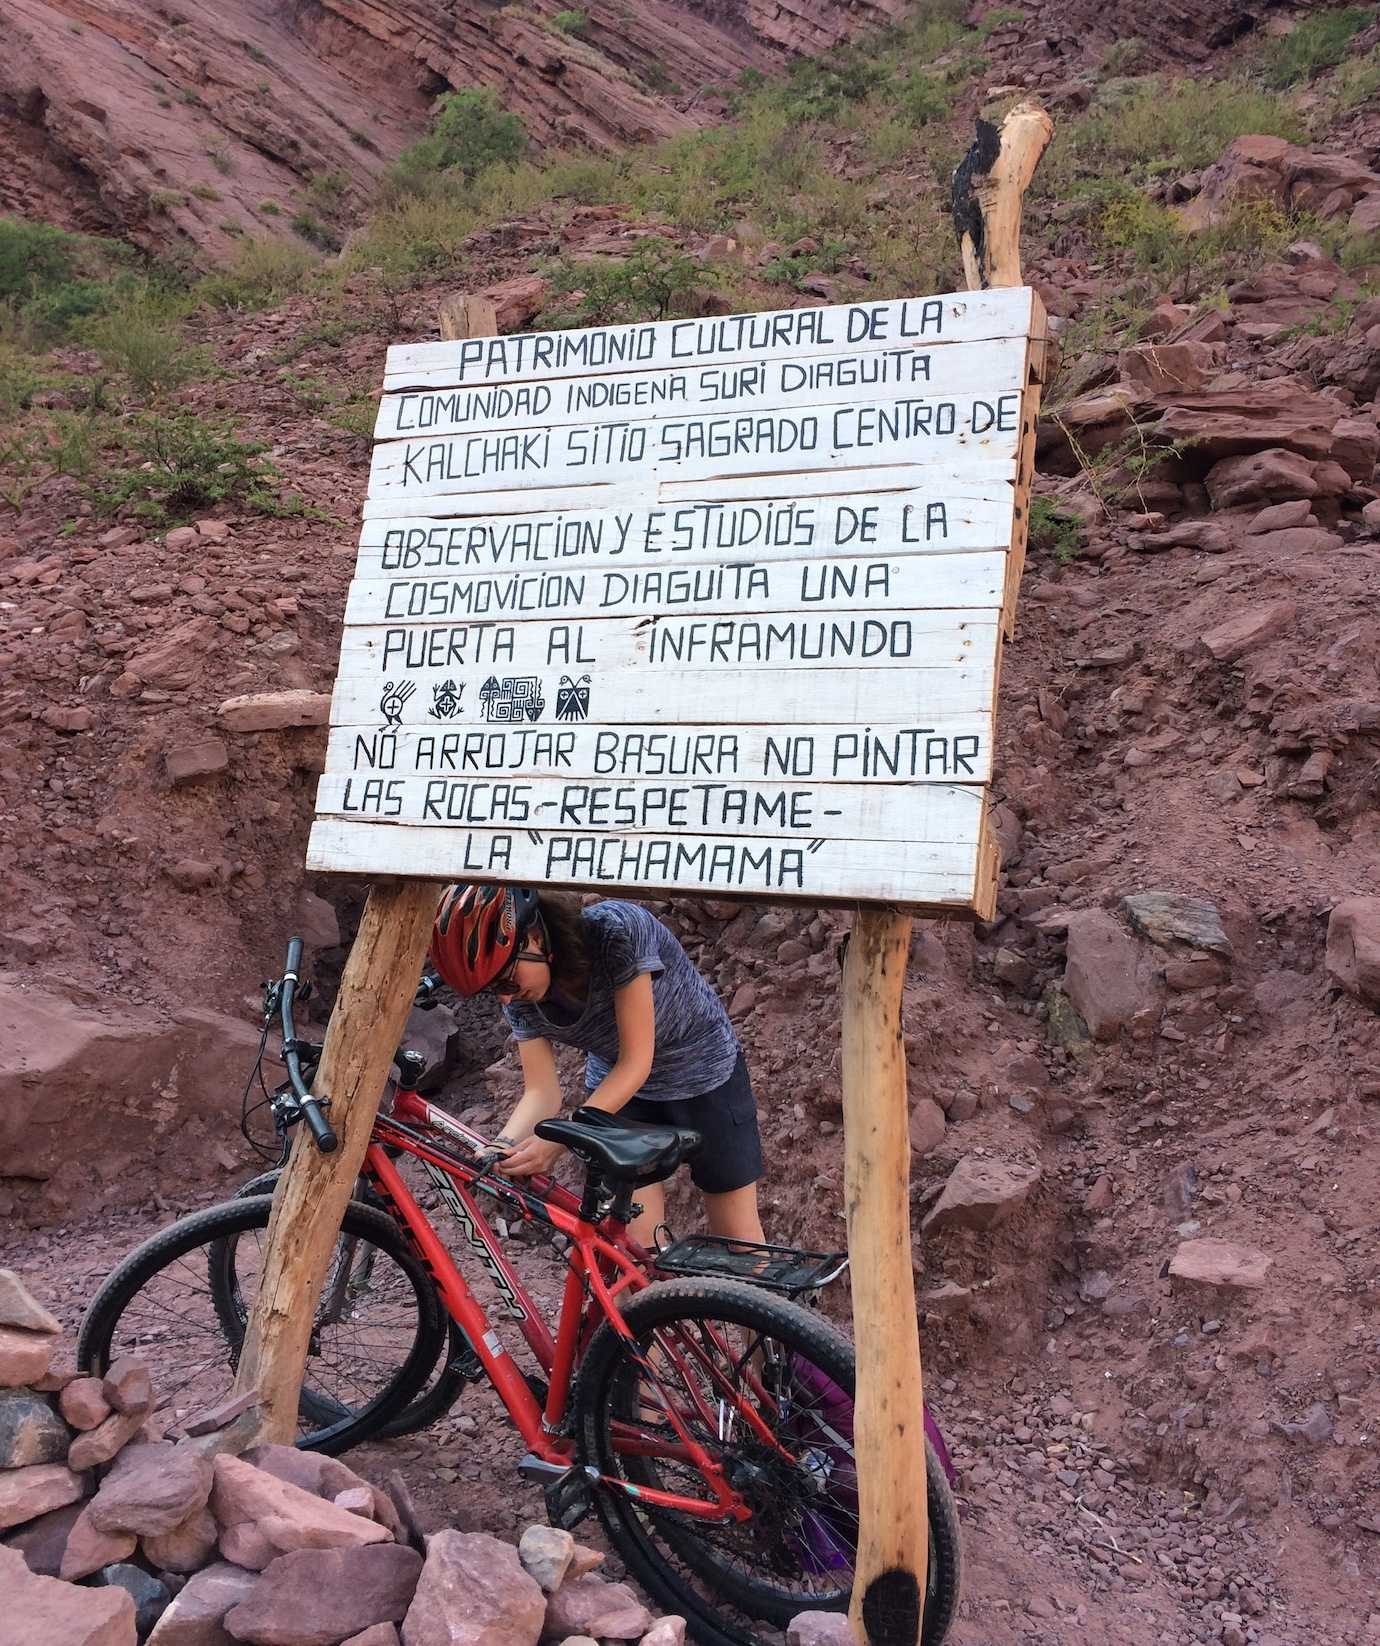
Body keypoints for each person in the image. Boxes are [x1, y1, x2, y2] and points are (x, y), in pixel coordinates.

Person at [430, 882, 764, 1247]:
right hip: (619, 1093)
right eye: (493, 989)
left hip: (705, 1073)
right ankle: (663, 1305)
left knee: (739, 1240)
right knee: (637, 1249)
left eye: (507, 980)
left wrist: (560, 1140)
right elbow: (541, 1092)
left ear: (536, 936)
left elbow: (637, 1061)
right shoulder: (519, 997)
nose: (507, 997)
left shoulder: (617, 930)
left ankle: (752, 1304)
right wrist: (502, 1145)